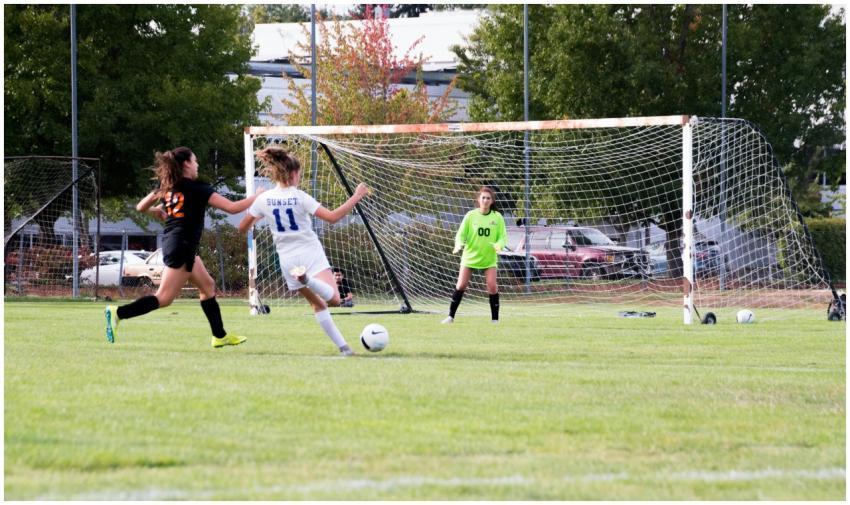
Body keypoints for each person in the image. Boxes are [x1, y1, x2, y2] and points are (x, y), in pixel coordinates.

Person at [104, 147, 263, 348]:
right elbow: (232, 208)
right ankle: (117, 313)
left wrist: (157, 210)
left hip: (178, 243)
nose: (197, 165)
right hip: (182, 245)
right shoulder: (198, 188)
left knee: (208, 286)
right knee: (164, 298)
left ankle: (219, 335)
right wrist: (257, 196)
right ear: (187, 163)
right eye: (195, 161)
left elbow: (140, 207)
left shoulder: (168, 186)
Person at [238, 146, 370, 356]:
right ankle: (307, 279)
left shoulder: (264, 199)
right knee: (335, 299)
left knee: (317, 304)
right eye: (299, 173)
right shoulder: (300, 196)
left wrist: (259, 208)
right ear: (292, 174)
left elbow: (243, 227)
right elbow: (332, 217)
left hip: (288, 260)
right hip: (310, 252)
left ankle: (344, 349)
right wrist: (357, 196)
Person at [442, 186, 507, 324]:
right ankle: (450, 316)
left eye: (488, 198)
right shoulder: (470, 216)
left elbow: (502, 237)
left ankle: (495, 320)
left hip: (488, 258)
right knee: (461, 285)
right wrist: (458, 244)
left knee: (492, 286)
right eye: (483, 197)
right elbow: (461, 234)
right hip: (470, 257)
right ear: (478, 200)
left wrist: (499, 245)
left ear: (492, 201)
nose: (485, 200)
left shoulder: (497, 217)